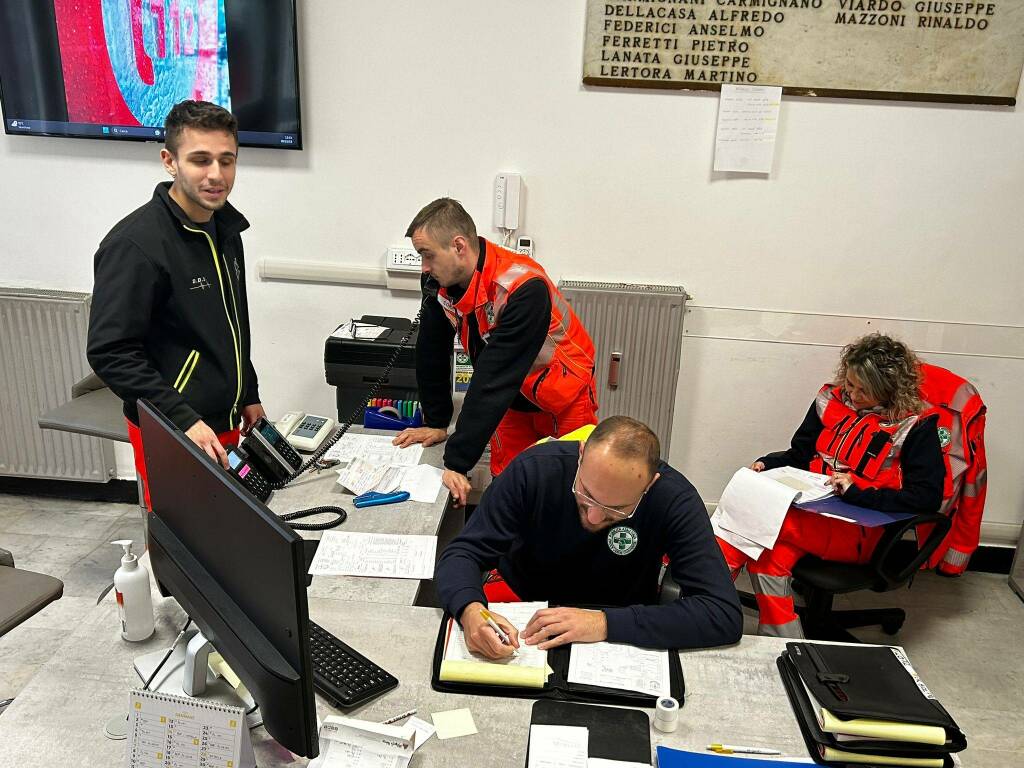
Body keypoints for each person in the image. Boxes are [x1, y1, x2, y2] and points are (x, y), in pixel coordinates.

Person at [435, 416, 743, 657]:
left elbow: (722, 612)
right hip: (525, 616)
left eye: (616, 509)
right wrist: (470, 609)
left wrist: (603, 623)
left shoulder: (674, 499)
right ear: (581, 455)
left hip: (619, 629)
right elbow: (463, 553)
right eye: (586, 495)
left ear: (650, 485)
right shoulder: (535, 470)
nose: (594, 517)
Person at [87, 100, 265, 508]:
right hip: (175, 427)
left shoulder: (225, 229)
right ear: (170, 161)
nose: (216, 175)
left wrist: (249, 392)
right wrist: (182, 419)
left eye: (227, 160)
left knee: (226, 531)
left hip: (224, 421)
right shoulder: (135, 245)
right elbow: (110, 352)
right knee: (182, 545)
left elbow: (230, 324)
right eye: (200, 160)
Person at [717, 333, 945, 638]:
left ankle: (704, 600)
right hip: (809, 510)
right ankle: (783, 644)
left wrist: (859, 492)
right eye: (850, 384)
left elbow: (926, 498)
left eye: (865, 390)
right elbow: (800, 453)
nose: (853, 394)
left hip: (861, 528)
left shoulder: (916, 427)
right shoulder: (831, 400)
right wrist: (766, 464)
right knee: (768, 560)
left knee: (754, 516)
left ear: (890, 390)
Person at [393, 198, 598, 506]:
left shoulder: (522, 287)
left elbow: (493, 378)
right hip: (512, 399)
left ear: (459, 246)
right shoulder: (440, 282)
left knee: (567, 496)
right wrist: (437, 421)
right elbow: (431, 348)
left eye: (427, 255)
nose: (423, 267)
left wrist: (457, 462)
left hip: (562, 401)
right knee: (509, 488)